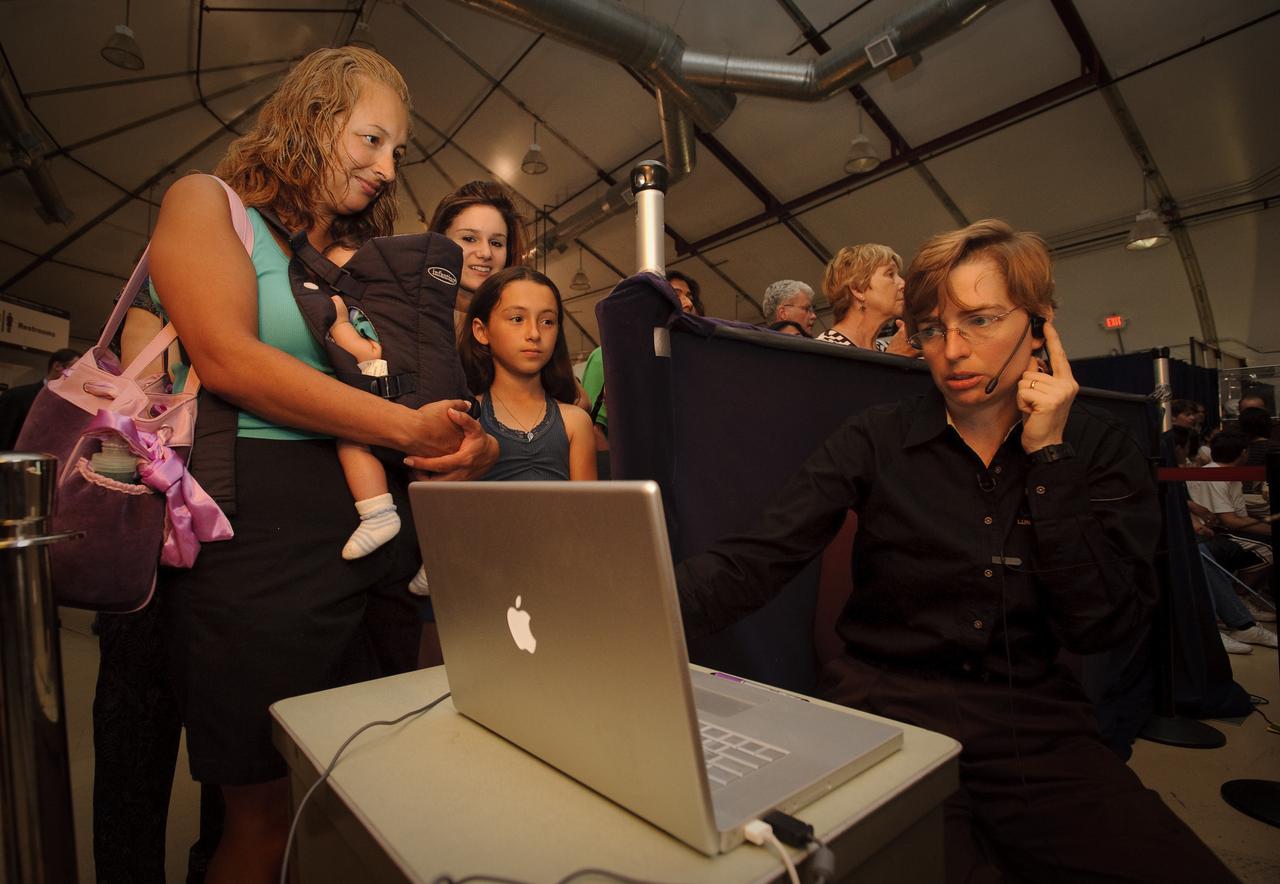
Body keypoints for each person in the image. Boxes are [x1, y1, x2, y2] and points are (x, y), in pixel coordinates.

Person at [675, 219, 1234, 882]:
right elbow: (758, 556)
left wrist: (1049, 457)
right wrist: (639, 613)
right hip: (885, 712)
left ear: (1039, 323)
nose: (953, 350)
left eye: (980, 320)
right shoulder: (877, 436)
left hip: (1032, 722)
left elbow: (1102, 622)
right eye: (935, 328)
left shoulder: (1097, 447)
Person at [146, 47, 496, 884]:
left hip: (372, 557)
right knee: (261, 819)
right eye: (371, 140)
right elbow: (228, 359)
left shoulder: (357, 267)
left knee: (353, 807)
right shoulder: (207, 205)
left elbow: (418, 389)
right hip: (256, 550)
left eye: (397, 153)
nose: (386, 168)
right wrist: (406, 429)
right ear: (311, 118)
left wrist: (468, 444)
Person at [458, 266, 595, 482]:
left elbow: (588, 512)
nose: (534, 333)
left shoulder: (576, 422)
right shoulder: (465, 418)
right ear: (481, 331)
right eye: (517, 319)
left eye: (547, 321)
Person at [426, 180, 526, 341]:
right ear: (440, 240)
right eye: (469, 238)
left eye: (496, 243)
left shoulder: (523, 330)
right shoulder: (404, 313)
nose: (486, 253)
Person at [815, 243, 914, 356]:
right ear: (858, 289)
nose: (903, 284)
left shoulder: (884, 348)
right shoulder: (825, 351)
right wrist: (896, 357)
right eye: (890, 274)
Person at [0, 347, 79, 448]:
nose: (79, 376)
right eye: (76, 370)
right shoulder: (16, 397)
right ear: (58, 366)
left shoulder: (73, 404)